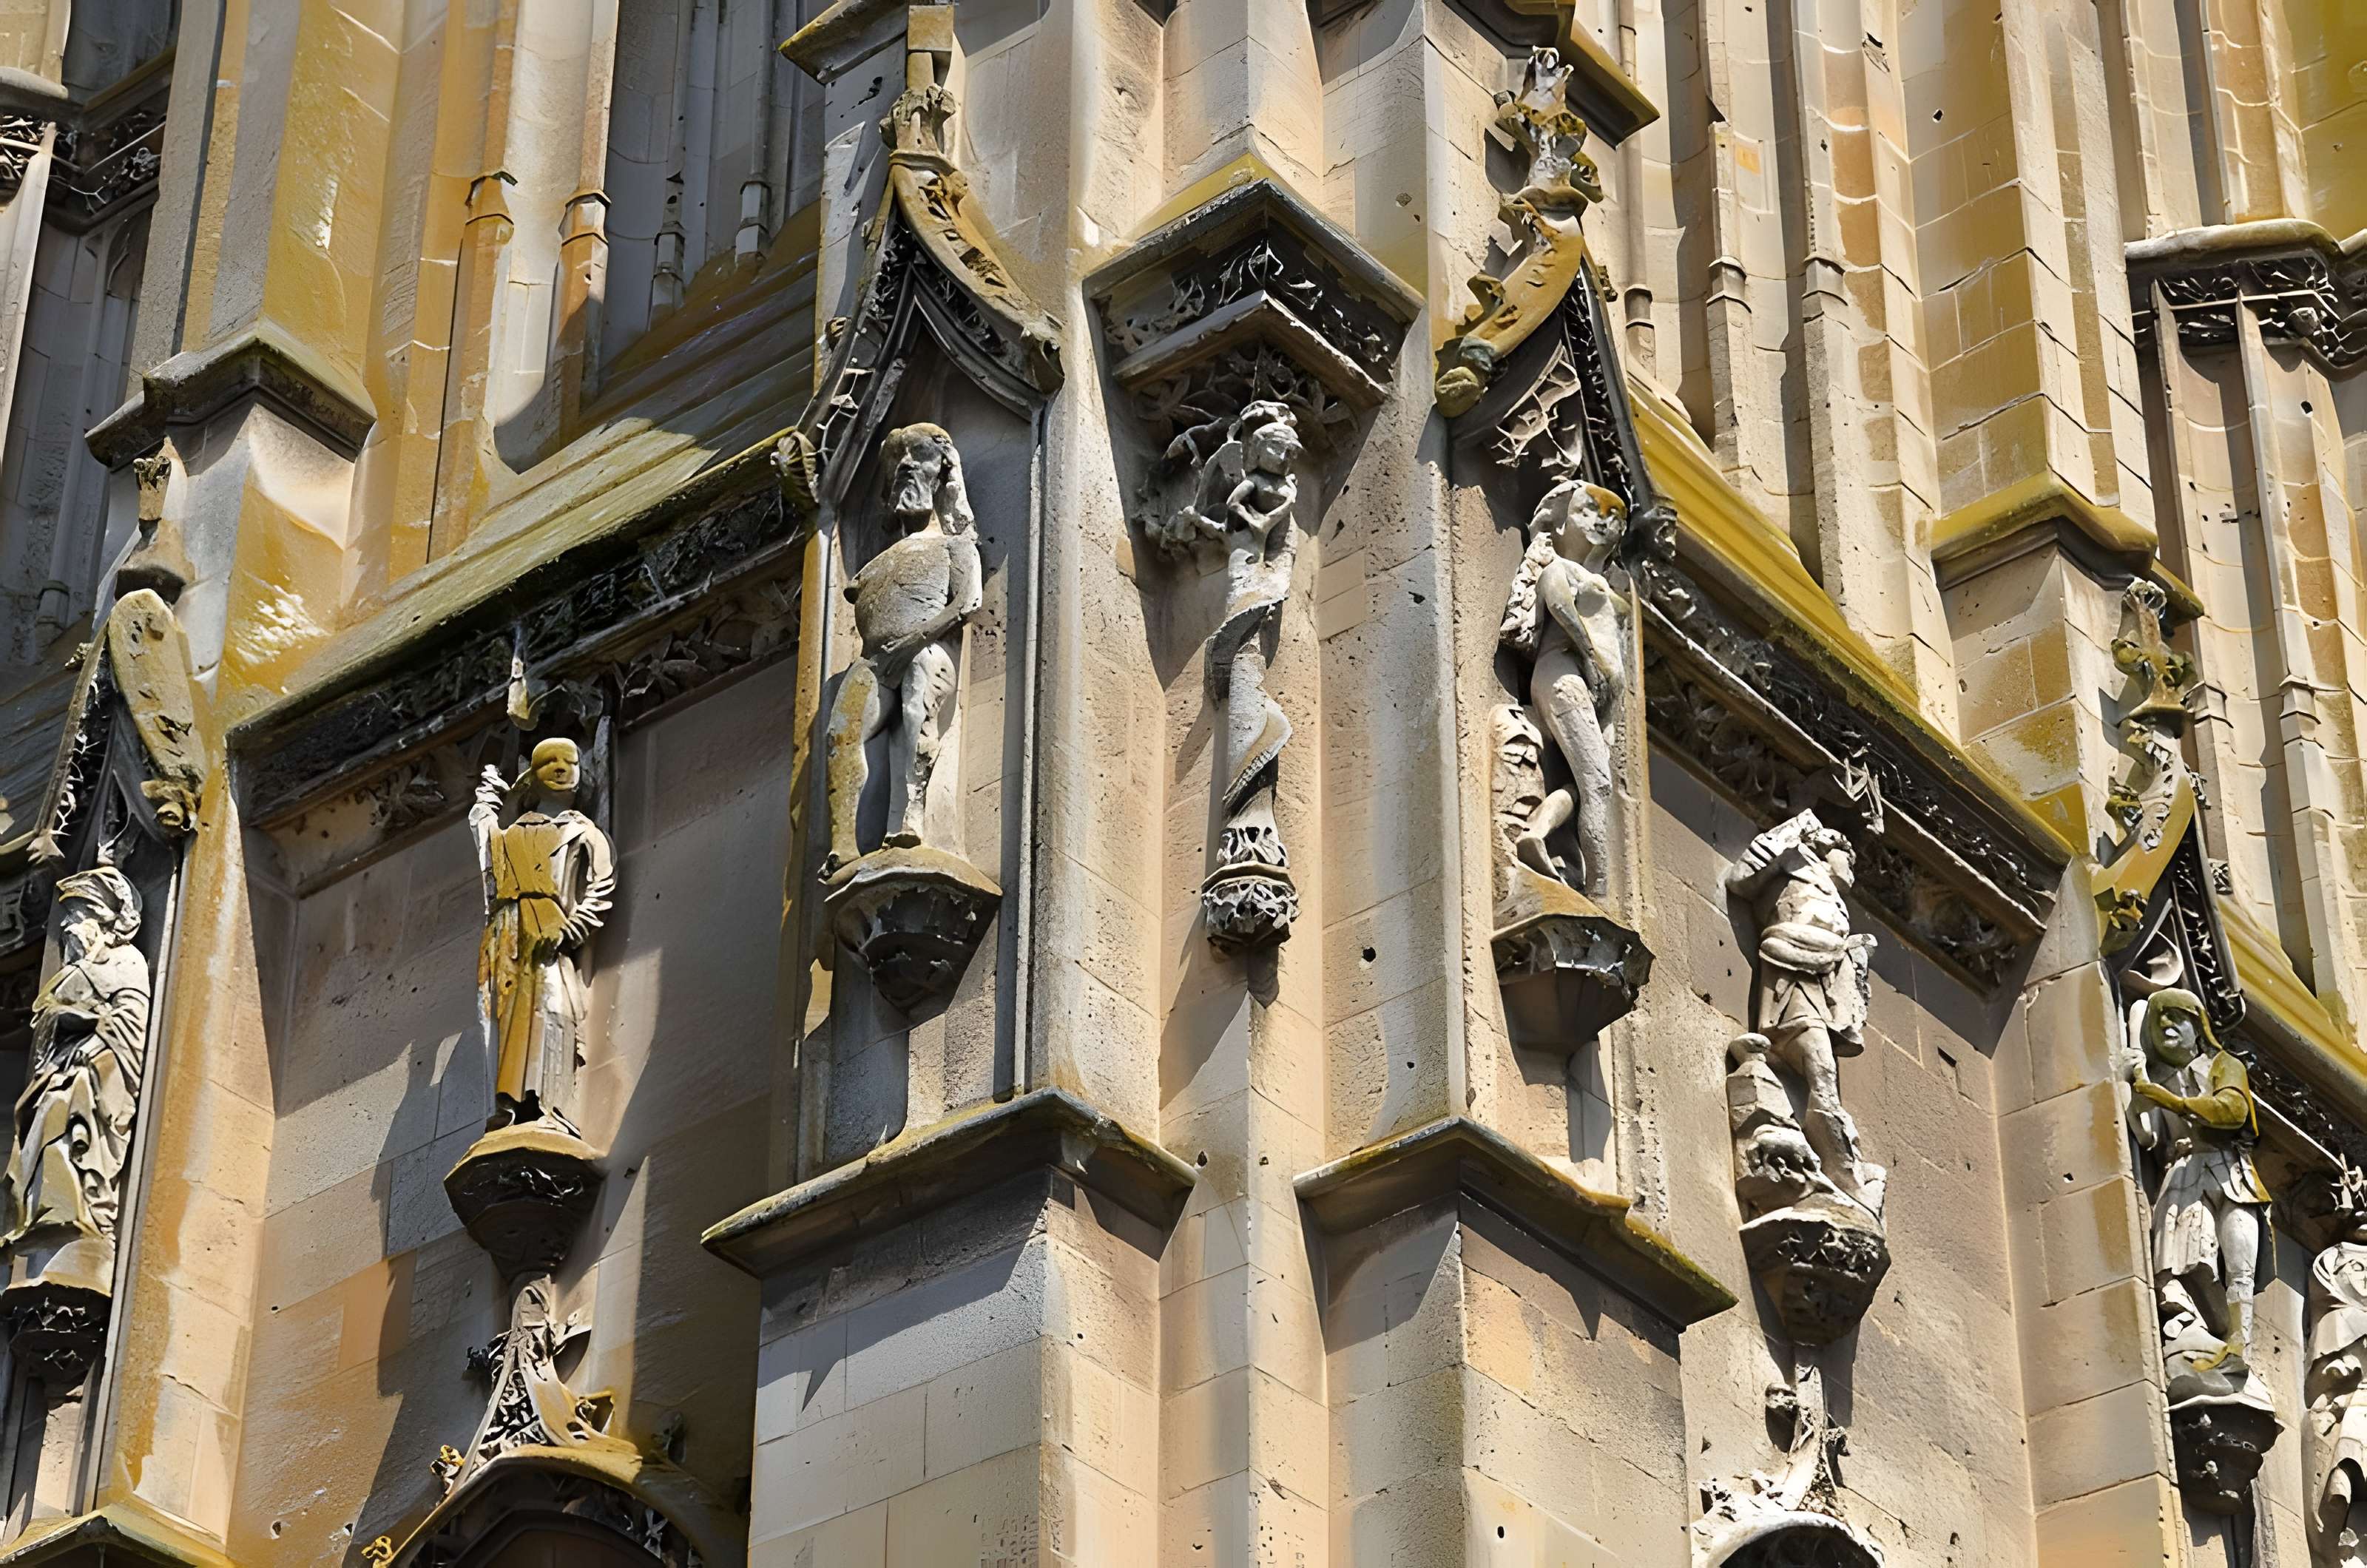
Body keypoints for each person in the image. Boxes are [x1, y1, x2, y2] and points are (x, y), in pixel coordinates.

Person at [823, 423, 982, 873]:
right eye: (897, 461)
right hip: (875, 658)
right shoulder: (880, 560)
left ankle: (908, 821)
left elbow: (968, 601)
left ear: (945, 472)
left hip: (922, 648)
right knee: (842, 732)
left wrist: (914, 640)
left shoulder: (955, 543)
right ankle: (844, 845)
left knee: (917, 710)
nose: (906, 466)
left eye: (918, 456)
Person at [1725, 810, 1883, 1212]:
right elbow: (1740, 879)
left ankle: (1838, 1165)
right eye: (1848, 857)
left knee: (1824, 1071)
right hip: (1794, 970)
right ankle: (1842, 1173)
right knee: (1822, 1074)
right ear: (1826, 850)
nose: (1852, 872)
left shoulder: (1833, 895)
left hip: (1825, 976)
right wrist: (1795, 826)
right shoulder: (1792, 862)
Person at [0, 866, 149, 1277]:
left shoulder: (126, 961)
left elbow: (131, 1024)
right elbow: (46, 1025)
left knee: (73, 1120)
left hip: (97, 1074)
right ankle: (50, 1220)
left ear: (102, 919)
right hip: (59, 1074)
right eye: (65, 916)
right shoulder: (70, 973)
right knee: (48, 1126)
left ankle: (87, 1215)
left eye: (77, 916)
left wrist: (90, 1033)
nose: (66, 926)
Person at [2127, 986, 2271, 1385]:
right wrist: (2139, 1092)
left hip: (2230, 1173)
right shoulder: (2159, 1077)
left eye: (2177, 1018)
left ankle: (2239, 1348)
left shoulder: (2223, 1065)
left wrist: (2167, 1099)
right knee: (2178, 1258)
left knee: (2240, 1264)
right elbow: (2147, 1136)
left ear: (2198, 1026)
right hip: (2183, 1171)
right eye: (2159, 1022)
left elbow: (2232, 1110)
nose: (2168, 1026)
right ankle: (2188, 1326)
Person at [473, 737, 615, 1128]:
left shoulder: (584, 832)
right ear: (531, 778)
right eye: (548, 762)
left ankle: (550, 1104)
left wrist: (575, 927)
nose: (561, 768)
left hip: (550, 930)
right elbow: (487, 849)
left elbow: (601, 884)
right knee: (504, 1018)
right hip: (506, 934)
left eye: (569, 761)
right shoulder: (511, 832)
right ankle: (509, 1107)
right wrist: (485, 803)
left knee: (554, 1008)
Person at [1499, 479, 1627, 897]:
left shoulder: (1613, 587)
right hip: (1566, 676)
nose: (1601, 524)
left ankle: (1538, 831)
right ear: (1558, 522)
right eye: (1587, 511)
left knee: (1588, 785)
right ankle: (1600, 891)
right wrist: (1592, 660)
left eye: (1613, 518)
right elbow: (1558, 604)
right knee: (1599, 787)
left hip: (1598, 700)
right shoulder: (1561, 568)